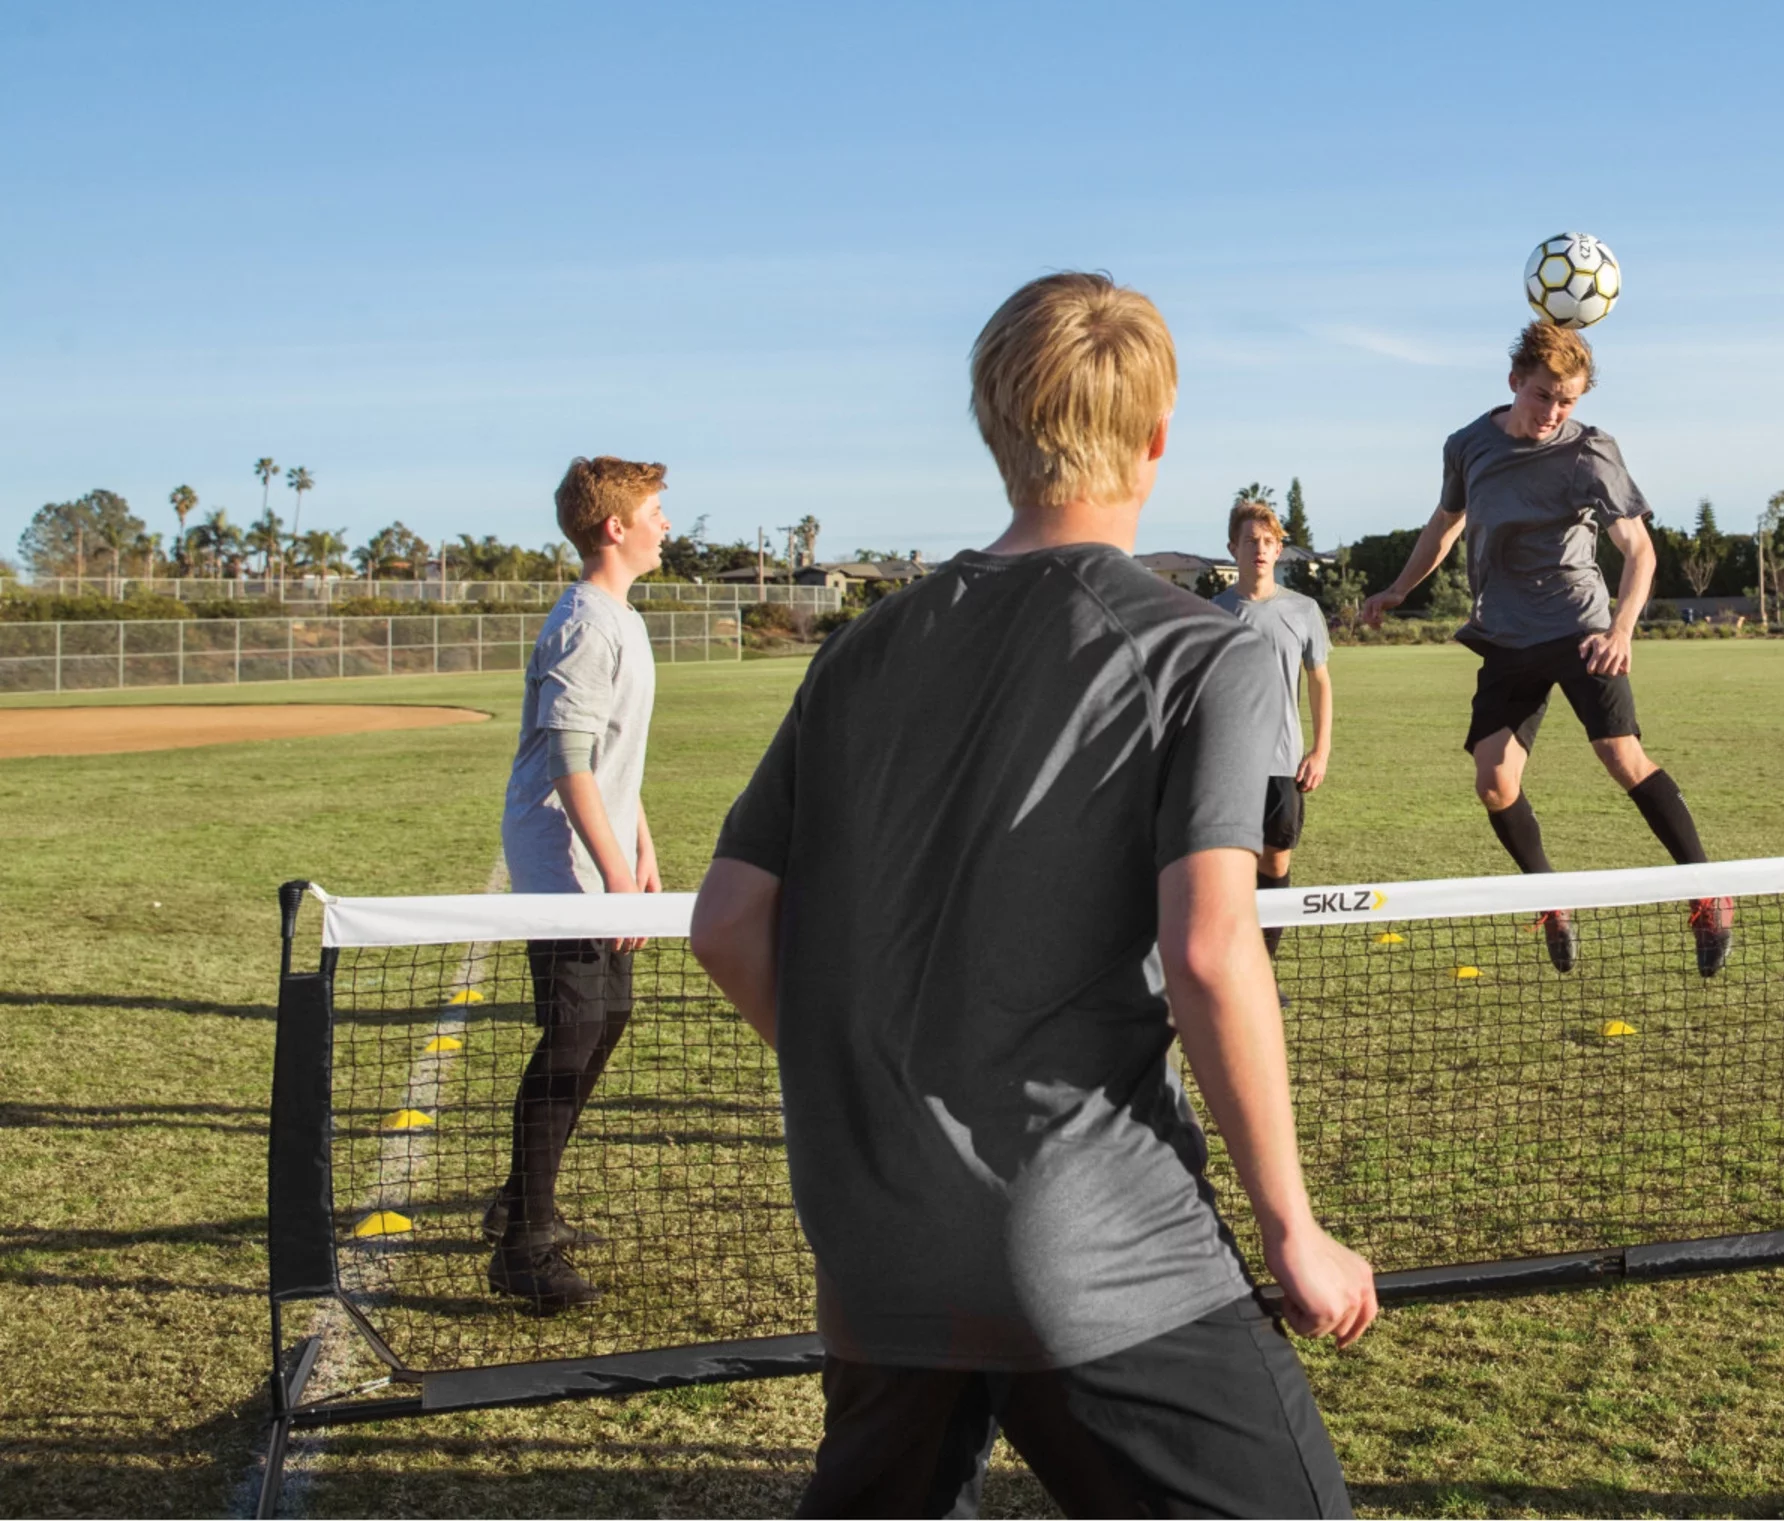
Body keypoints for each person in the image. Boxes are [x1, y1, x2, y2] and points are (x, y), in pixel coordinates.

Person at [691, 272, 1376, 1520]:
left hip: (875, 1247)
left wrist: (898, 1083)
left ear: (990, 426)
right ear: (1159, 440)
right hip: (1098, 1245)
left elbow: (727, 923)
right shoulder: (1203, 654)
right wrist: (1294, 1229)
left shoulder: (860, 651)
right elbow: (1214, 952)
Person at [1361, 319, 1732, 977]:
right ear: (1514, 383)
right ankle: (1549, 898)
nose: (1553, 413)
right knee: (1495, 784)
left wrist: (1621, 629)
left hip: (1579, 626)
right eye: (1542, 397)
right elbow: (1443, 527)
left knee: (1622, 755)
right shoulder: (1468, 445)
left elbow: (1640, 550)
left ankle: (1708, 893)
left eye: (1567, 401)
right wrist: (1396, 588)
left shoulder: (1591, 451)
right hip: (1505, 633)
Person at [488, 454, 672, 1310]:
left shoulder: (622, 619)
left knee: (609, 1017)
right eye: (656, 510)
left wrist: (641, 846)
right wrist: (608, 872)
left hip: (600, 856)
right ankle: (523, 1242)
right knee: (574, 1030)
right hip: (560, 860)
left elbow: (607, 753)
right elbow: (566, 759)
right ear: (616, 526)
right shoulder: (584, 624)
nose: (666, 524)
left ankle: (524, 1201)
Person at [1212, 499, 1333, 962]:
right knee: (1229, 866)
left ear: (1279, 550)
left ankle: (1263, 968)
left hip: (1283, 759)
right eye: (1250, 541)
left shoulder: (1303, 610)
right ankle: (1234, 967)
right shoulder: (1213, 611)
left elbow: (1320, 680)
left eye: (1268, 542)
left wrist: (1320, 750)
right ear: (1232, 548)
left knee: (1276, 861)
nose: (1259, 549)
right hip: (1228, 763)